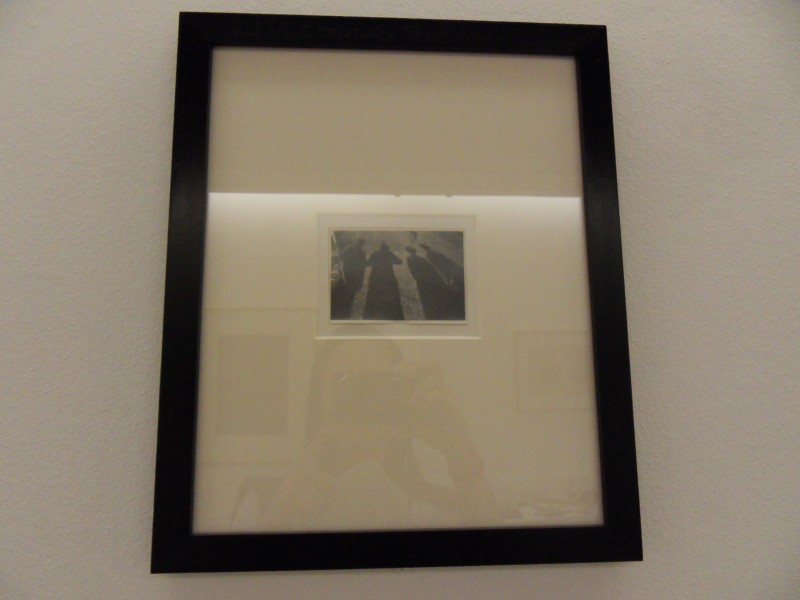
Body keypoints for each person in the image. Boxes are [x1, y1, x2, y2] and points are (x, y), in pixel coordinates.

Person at [405, 246, 451, 320]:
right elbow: (416, 270)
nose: (414, 250)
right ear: (411, 251)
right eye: (412, 250)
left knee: (429, 292)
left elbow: (424, 268)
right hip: (424, 278)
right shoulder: (414, 259)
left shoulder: (414, 258)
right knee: (429, 292)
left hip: (424, 277)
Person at [363, 242, 404, 320]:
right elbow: (400, 261)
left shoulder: (375, 254)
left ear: (380, 248)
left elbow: (367, 264)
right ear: (387, 248)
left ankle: (375, 312)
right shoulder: (389, 254)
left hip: (376, 278)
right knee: (389, 294)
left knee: (375, 295)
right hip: (388, 277)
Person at [330, 238, 366, 319]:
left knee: (339, 296)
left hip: (346, 277)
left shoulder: (351, 251)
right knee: (348, 300)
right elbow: (362, 269)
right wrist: (360, 282)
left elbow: (341, 258)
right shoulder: (361, 254)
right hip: (354, 280)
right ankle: (344, 315)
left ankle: (336, 314)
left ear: (357, 243)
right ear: (362, 244)